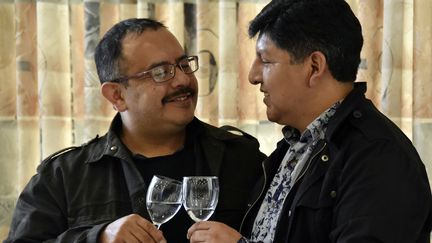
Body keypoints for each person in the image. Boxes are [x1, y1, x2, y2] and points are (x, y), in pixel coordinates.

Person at [187, 0, 432, 242]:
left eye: (266, 60)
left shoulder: (379, 157)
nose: (253, 76)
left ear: (314, 67)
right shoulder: (296, 144)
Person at [4, 18, 267, 243]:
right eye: (161, 72)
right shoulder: (63, 177)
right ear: (117, 95)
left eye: (184, 64)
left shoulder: (242, 158)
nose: (183, 80)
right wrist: (99, 237)